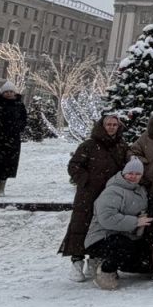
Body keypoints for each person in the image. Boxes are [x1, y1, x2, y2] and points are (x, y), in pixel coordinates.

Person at [59, 112, 129, 281]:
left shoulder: (122, 146)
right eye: (108, 124)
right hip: (88, 193)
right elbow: (74, 166)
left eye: (115, 125)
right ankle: (76, 260)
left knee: (101, 226)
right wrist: (86, 180)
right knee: (80, 225)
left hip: (109, 193)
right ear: (102, 126)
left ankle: (95, 257)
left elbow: (126, 167)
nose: (111, 127)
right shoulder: (88, 145)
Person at [83, 157, 152, 290]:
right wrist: (136, 221)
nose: (133, 177)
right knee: (122, 247)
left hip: (126, 235)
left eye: (138, 174)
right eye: (130, 173)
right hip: (102, 237)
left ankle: (118, 264)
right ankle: (105, 270)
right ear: (123, 173)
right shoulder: (112, 191)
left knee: (143, 259)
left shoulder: (140, 191)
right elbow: (107, 218)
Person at [0, 81, 30, 195]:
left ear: (14, 93)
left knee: (7, 164)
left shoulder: (19, 105)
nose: (9, 94)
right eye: (6, 91)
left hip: (12, 140)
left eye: (11, 91)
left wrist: (17, 129)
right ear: (2, 93)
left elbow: (24, 120)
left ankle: (2, 187)